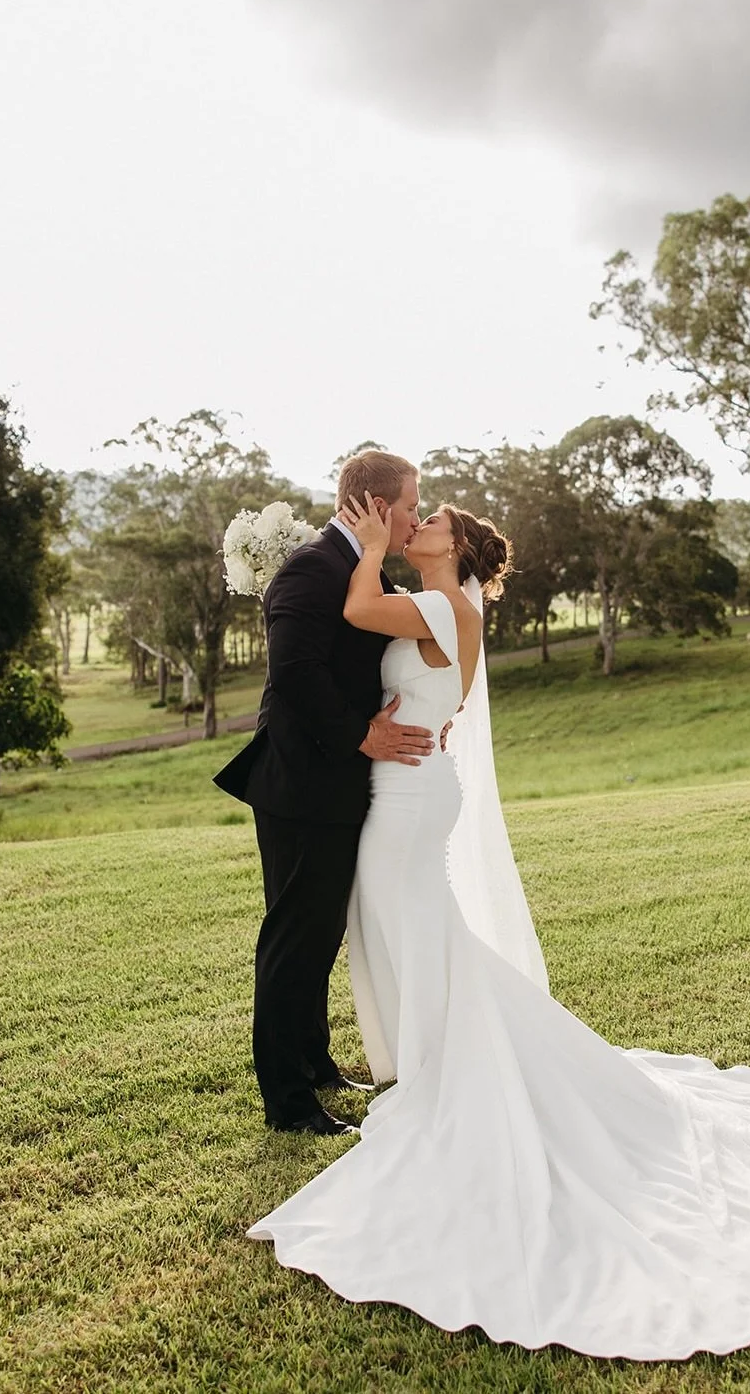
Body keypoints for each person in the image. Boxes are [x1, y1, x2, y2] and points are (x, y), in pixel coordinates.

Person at [247, 495, 750, 1361]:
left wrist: (369, 547)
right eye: (409, 520)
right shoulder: (453, 606)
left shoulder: (439, 602)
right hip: (408, 789)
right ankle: (433, 1064)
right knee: (420, 937)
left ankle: (443, 1076)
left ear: (455, 549)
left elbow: (353, 611)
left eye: (429, 524)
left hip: (408, 801)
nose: (414, 527)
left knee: (418, 934)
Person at [212, 450, 435, 1137]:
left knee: (318, 934)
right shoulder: (310, 569)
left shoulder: (356, 568)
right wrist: (361, 737)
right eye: (410, 506)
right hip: (303, 786)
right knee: (294, 941)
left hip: (330, 788)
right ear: (373, 506)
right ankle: (289, 1104)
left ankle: (316, 1067)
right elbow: (296, 674)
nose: (416, 518)